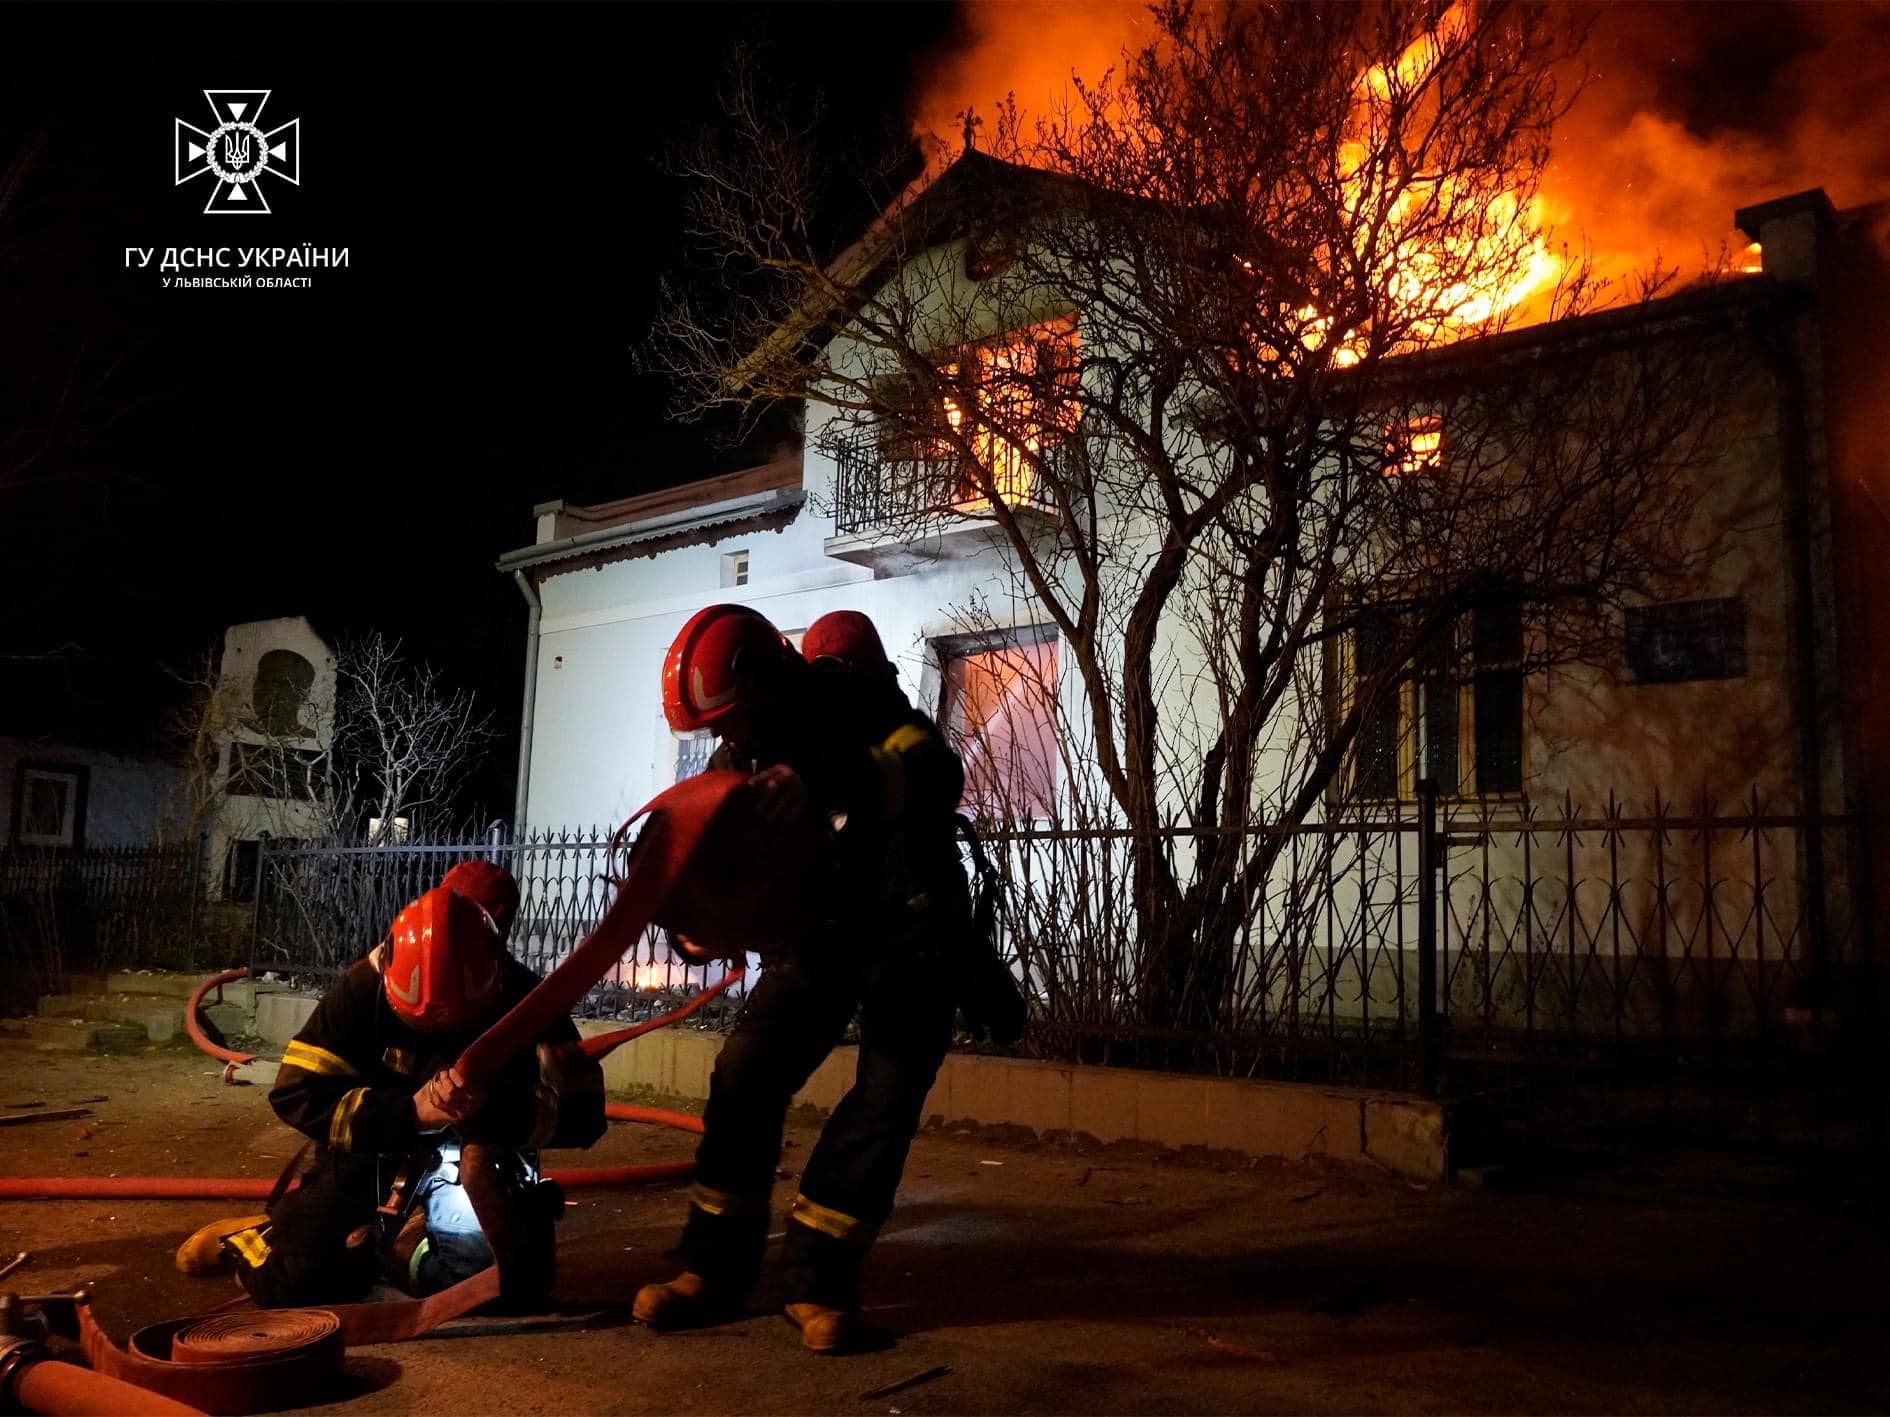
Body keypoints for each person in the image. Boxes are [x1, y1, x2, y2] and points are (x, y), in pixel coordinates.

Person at [633, 604, 972, 1354]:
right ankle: (713, 1271)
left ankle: (817, 1283)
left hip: (911, 934)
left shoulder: (858, 701)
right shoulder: (740, 756)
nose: (725, 740)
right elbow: (716, 869)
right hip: (820, 938)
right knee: (745, 1073)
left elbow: (934, 772)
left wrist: (819, 777)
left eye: (730, 720)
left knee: (884, 1100)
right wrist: (695, 927)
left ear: (766, 679)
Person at [174, 861, 605, 1309]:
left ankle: (402, 1250)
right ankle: (260, 1235)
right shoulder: (364, 988)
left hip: (479, 1167)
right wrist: (410, 1113)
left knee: (492, 1291)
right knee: (293, 1282)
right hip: (373, 1153)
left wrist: (491, 1112)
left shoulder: (529, 999)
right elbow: (299, 1092)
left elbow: (585, 1115)